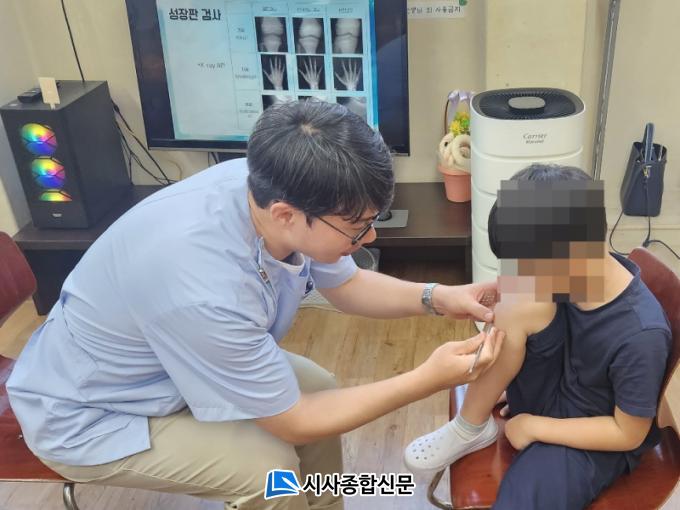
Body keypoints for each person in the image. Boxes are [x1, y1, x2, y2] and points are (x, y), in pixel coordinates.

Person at [7, 100, 505, 510]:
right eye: (358, 228)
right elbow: (293, 421)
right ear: (286, 215)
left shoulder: (268, 186)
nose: (370, 237)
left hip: (170, 364)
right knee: (270, 475)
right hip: (95, 412)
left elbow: (347, 285)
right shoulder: (201, 284)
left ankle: (323, 504)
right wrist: (427, 378)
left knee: (319, 387)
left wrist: (439, 297)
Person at [404, 164, 672, 510]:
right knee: (519, 299)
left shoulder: (641, 334)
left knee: (523, 498)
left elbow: (628, 433)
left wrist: (535, 426)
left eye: (532, 268)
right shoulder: (580, 268)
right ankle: (469, 428)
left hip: (594, 434)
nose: (523, 276)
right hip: (558, 385)